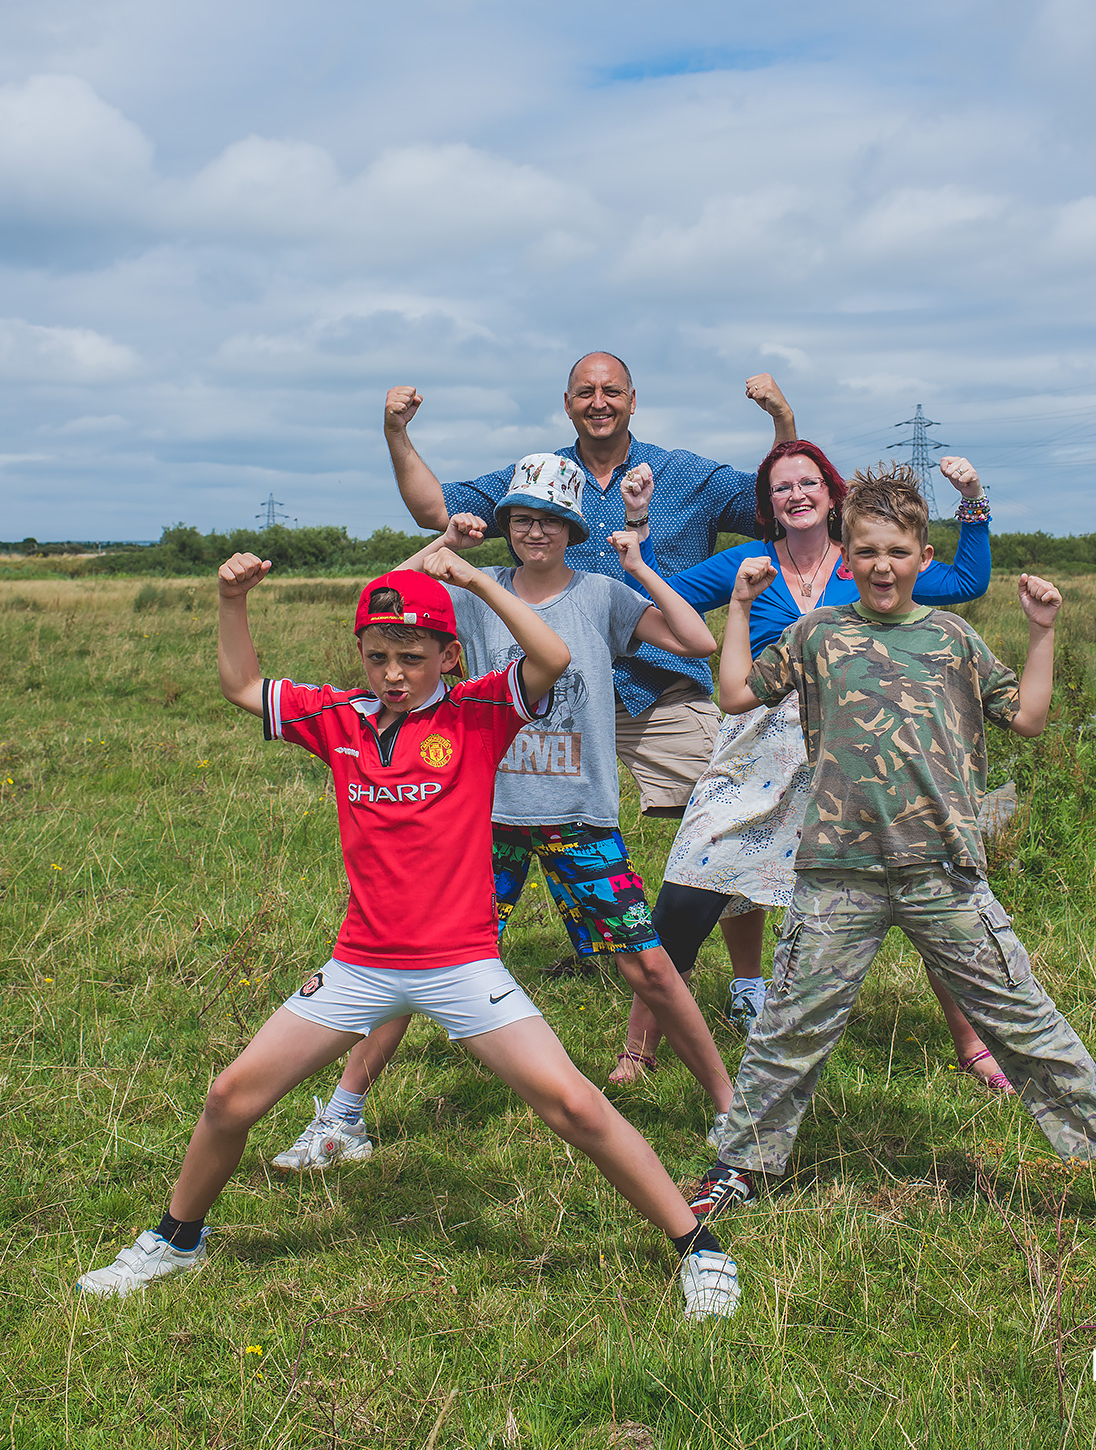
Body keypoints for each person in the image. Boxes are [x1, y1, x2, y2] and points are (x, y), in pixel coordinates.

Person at [75, 556, 740, 1320]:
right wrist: (231, 601)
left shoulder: (480, 712)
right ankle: (176, 1239)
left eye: (413, 657)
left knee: (578, 1110)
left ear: (450, 656)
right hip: (359, 966)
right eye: (378, 655)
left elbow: (551, 657)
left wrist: (480, 582)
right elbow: (240, 687)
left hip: (461, 966)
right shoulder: (337, 718)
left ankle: (699, 1247)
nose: (394, 674)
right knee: (229, 1100)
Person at [687, 465, 1096, 1243]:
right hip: (837, 874)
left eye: (897, 551)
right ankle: (739, 1167)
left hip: (941, 871)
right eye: (864, 551)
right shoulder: (816, 636)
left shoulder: (953, 639)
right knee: (791, 1027)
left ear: (923, 556)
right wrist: (736, 607)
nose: (880, 566)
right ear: (844, 554)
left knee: (1023, 1018)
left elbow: (1028, 719)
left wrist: (1041, 631)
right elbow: (733, 693)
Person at [275, 453, 737, 1172]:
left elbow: (697, 642)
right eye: (521, 518)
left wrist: (640, 566)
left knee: (647, 967)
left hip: (577, 816)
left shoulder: (601, 596)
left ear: (572, 526)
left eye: (550, 520)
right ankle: (343, 1117)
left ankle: (730, 1111)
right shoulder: (471, 589)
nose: (534, 532)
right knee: (411, 960)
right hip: (478, 822)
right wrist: (448, 550)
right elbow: (384, 598)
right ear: (507, 524)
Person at [612, 442, 1008, 1097]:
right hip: (756, 749)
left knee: (923, 889)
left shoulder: (862, 565)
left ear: (831, 495)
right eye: (778, 488)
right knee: (691, 879)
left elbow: (966, 581)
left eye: (806, 484)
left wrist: (971, 502)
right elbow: (663, 600)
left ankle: (971, 1044)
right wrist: (639, 532)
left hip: (855, 749)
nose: (794, 495)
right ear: (766, 504)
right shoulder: (748, 562)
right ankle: (638, 1049)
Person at [380, 356, 797, 819]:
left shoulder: (687, 475)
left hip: (657, 686)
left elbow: (777, 502)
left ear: (633, 401)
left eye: (612, 392)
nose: (599, 403)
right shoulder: (538, 480)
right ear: (567, 404)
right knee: (506, 815)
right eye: (585, 393)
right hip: (546, 689)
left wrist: (783, 421)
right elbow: (434, 510)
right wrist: (397, 434)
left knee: (728, 811)